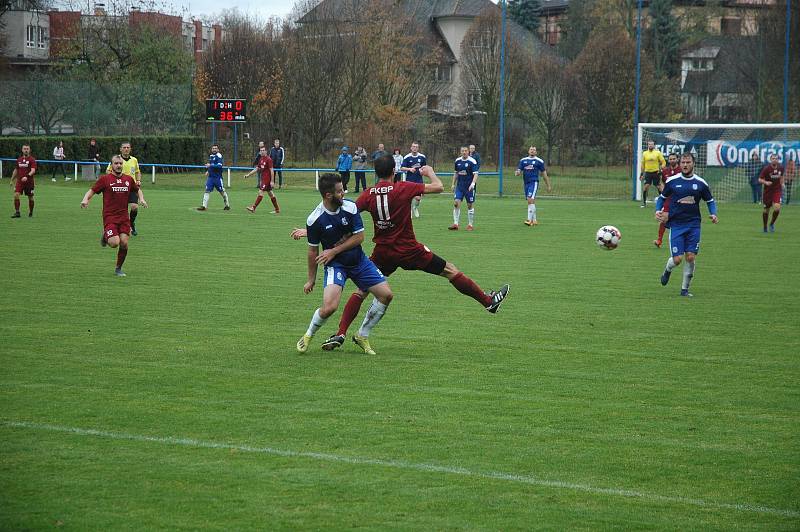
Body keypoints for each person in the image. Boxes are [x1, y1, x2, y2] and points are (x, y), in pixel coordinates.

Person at [291, 155, 510, 352]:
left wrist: (308, 230)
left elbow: (342, 212)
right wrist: (429, 172)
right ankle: (487, 301)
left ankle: (341, 331)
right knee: (450, 271)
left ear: (376, 173)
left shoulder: (368, 194)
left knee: (362, 290)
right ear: (394, 172)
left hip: (383, 252)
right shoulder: (403, 188)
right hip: (409, 250)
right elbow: (439, 187)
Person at [296, 172, 393, 355]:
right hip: (336, 266)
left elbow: (360, 237)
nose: (344, 193)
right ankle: (308, 335)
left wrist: (333, 250)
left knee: (386, 296)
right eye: (340, 191)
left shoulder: (350, 207)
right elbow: (312, 251)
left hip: (359, 262)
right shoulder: (314, 219)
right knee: (329, 308)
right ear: (328, 195)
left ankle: (362, 335)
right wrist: (311, 280)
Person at [655, 152, 718, 297]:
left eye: (688, 162)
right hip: (676, 225)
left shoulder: (701, 183)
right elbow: (662, 197)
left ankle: (684, 289)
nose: (685, 165)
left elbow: (710, 201)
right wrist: (658, 210)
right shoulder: (672, 181)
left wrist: (713, 213)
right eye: (683, 162)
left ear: (693, 163)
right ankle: (668, 270)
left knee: (690, 257)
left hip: (694, 225)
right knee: (677, 260)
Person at [81, 154, 148, 277]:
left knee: (124, 243)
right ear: (111, 165)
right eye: (116, 163)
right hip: (110, 217)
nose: (118, 165)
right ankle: (106, 235)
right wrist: (85, 200)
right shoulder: (105, 179)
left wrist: (142, 199)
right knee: (114, 243)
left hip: (124, 218)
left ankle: (118, 268)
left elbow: (137, 189)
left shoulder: (128, 179)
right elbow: (92, 191)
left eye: (120, 163)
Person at [106, 142, 142, 235]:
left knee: (134, 207)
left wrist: (138, 180)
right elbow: (108, 171)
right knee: (120, 209)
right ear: (120, 149)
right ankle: (115, 227)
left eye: (128, 147)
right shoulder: (116, 159)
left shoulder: (134, 160)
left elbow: (138, 171)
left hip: (131, 187)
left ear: (130, 149)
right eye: (124, 147)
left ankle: (131, 223)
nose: (126, 149)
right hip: (120, 187)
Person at [515, 146, 552, 226]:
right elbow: (519, 170)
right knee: (531, 201)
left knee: (530, 199)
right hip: (526, 183)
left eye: (534, 150)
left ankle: (529, 220)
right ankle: (534, 220)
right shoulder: (523, 160)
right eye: (531, 149)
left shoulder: (539, 161)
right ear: (528, 151)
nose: (532, 151)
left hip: (534, 182)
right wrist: (517, 172)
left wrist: (548, 185)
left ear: (536, 152)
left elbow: (544, 174)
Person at [653, 152, 681, 248]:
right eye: (670, 159)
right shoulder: (665, 171)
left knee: (680, 220)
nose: (672, 160)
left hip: (680, 198)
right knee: (663, 219)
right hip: (669, 198)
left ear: (677, 159)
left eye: (674, 159)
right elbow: (664, 183)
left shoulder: (682, 170)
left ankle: (681, 239)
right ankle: (659, 240)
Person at [449, 146, 479, 231]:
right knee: (456, 203)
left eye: (466, 151)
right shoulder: (457, 161)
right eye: (463, 151)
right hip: (460, 187)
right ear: (460, 152)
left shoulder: (472, 161)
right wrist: (453, 184)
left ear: (468, 152)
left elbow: (476, 174)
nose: (464, 152)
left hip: (469, 188)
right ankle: (455, 224)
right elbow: (456, 173)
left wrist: (473, 184)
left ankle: (470, 224)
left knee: (469, 205)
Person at [244, 146, 280, 214]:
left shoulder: (269, 159)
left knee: (260, 192)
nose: (262, 151)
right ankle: (277, 209)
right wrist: (248, 174)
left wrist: (272, 181)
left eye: (263, 150)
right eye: (261, 150)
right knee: (271, 194)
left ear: (266, 151)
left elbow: (272, 170)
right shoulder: (261, 159)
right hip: (263, 179)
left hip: (267, 180)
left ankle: (253, 207)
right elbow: (257, 168)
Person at [197, 144, 230, 211]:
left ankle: (227, 205)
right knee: (207, 191)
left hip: (217, 178)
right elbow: (210, 166)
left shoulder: (219, 156)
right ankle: (204, 206)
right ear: (211, 149)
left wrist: (210, 165)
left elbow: (219, 166)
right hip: (211, 178)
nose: (214, 149)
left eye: (215, 148)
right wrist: (208, 171)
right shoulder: (211, 156)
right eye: (213, 148)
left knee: (222, 192)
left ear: (218, 150)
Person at [758, 153, 784, 233]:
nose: (774, 160)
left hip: (777, 190)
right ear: (770, 160)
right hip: (768, 192)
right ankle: (765, 227)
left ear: (778, 160)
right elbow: (759, 179)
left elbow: (782, 177)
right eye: (773, 158)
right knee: (766, 210)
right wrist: (766, 182)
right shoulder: (766, 169)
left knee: (777, 208)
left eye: (776, 158)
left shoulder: (781, 168)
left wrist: (782, 184)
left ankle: (771, 224)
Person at [400, 141, 427, 217]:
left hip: (419, 180)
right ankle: (410, 212)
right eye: (413, 147)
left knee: (418, 198)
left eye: (416, 147)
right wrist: (409, 169)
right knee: (409, 197)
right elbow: (402, 168)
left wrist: (422, 171)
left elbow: (424, 167)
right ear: (411, 148)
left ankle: (415, 207)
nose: (415, 148)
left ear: (418, 148)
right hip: (409, 180)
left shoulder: (422, 157)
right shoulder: (407, 157)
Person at [11, 144, 37, 218]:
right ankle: (17, 212)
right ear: (22, 150)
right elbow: (16, 170)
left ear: (29, 150)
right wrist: (12, 180)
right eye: (24, 149)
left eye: (27, 149)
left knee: (30, 197)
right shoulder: (19, 160)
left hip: (29, 182)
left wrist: (27, 176)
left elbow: (33, 170)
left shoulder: (32, 160)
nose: (26, 150)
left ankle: (31, 212)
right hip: (20, 181)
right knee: (16, 195)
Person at [640, 140, 666, 207]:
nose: (650, 145)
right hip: (648, 172)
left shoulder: (657, 153)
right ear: (647, 145)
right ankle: (644, 203)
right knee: (646, 187)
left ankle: (662, 203)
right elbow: (643, 164)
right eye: (649, 144)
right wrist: (641, 173)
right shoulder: (645, 153)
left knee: (659, 187)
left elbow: (663, 162)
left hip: (656, 172)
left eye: (652, 144)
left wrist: (660, 169)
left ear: (654, 145)